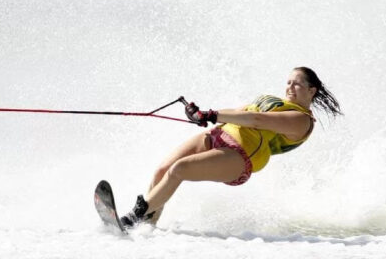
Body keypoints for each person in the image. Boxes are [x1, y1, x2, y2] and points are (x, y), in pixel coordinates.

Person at [120, 66, 343, 227]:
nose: (290, 87)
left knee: (179, 169)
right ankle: (147, 228)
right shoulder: (274, 101)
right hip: (219, 134)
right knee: (161, 171)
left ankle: (134, 217)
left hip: (240, 155)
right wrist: (202, 115)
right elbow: (241, 112)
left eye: (297, 83)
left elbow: (257, 120)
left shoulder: (301, 120)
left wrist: (212, 115)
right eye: (288, 82)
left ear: (311, 91)